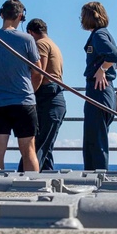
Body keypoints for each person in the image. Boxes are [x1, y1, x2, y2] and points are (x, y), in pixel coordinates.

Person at [0, 0, 42, 171]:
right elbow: (39, 71)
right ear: (21, 16)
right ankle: (34, 189)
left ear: (2, 14)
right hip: (23, 101)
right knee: (28, 150)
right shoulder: (27, 39)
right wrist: (32, 91)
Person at [80, 2, 117, 171]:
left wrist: (101, 70)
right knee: (95, 138)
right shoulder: (104, 34)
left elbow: (113, 56)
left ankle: (96, 179)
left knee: (95, 141)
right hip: (106, 91)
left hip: (98, 91)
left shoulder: (99, 35)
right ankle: (95, 176)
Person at [27, 18, 66, 171]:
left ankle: (26, 178)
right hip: (55, 97)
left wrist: (29, 94)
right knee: (46, 145)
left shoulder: (40, 44)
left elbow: (39, 73)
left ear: (30, 33)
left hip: (47, 96)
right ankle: (47, 175)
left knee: (38, 145)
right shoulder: (52, 44)